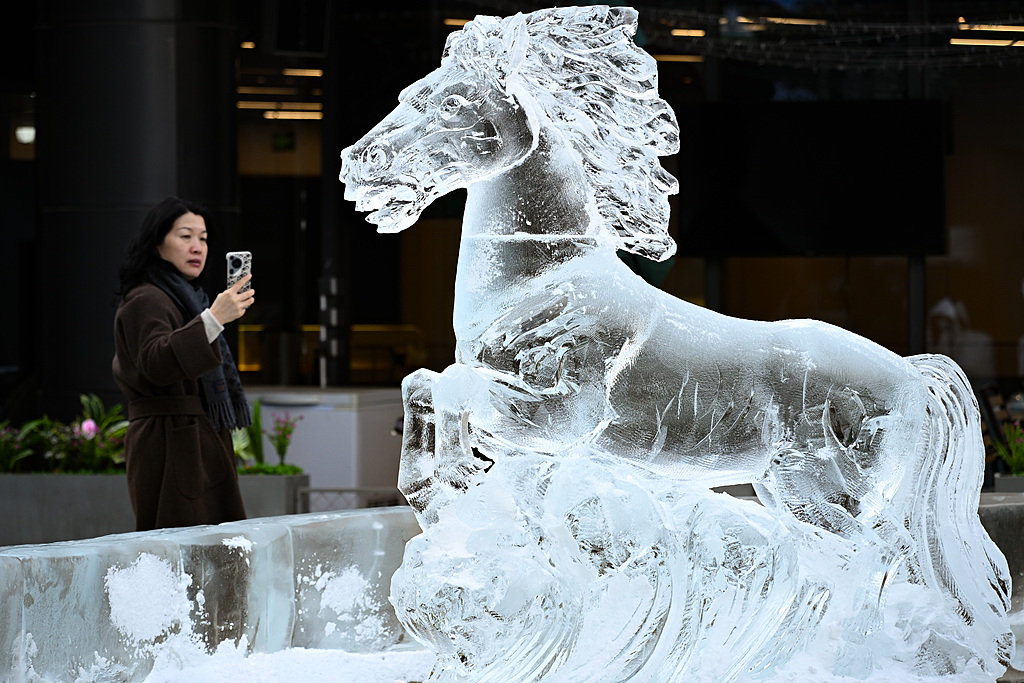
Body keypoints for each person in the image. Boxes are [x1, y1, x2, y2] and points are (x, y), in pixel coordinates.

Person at [113, 196, 255, 530]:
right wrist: (213, 319)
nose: (197, 247)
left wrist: (212, 318)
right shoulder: (145, 298)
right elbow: (156, 363)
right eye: (185, 236)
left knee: (210, 545)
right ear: (157, 243)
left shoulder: (185, 297)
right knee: (181, 548)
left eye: (203, 239)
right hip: (170, 442)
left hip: (194, 438)